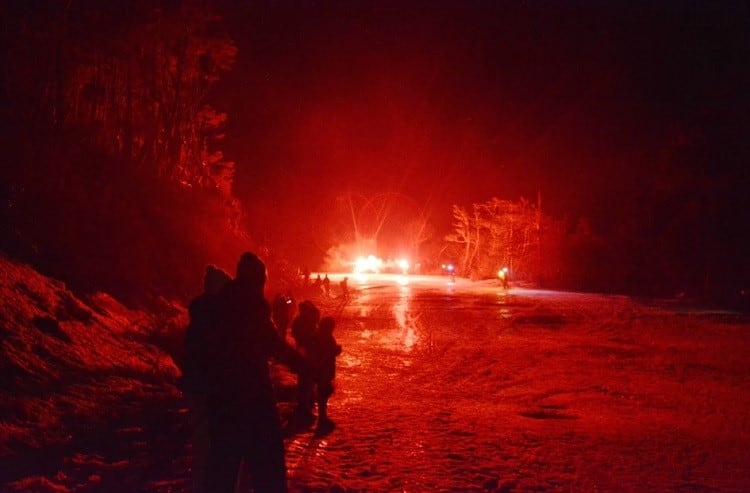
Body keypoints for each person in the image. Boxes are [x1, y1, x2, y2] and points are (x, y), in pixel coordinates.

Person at [204, 252, 310, 493]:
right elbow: (274, 346)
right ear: (257, 280)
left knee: (222, 471)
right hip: (254, 402)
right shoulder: (251, 308)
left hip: (221, 402)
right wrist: (305, 367)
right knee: (268, 470)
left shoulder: (219, 307)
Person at [180, 264, 232, 493]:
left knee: (209, 443)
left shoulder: (203, 317)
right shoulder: (211, 319)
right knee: (208, 444)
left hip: (203, 388)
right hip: (207, 390)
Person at [309, 316, 342, 432]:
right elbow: (326, 353)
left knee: (324, 392)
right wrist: (336, 350)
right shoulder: (324, 337)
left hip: (323, 369)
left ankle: (323, 417)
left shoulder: (318, 335)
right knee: (324, 393)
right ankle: (322, 418)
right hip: (323, 369)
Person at [290, 299, 320, 424]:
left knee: (307, 382)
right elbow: (304, 339)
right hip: (306, 356)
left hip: (305, 355)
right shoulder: (305, 323)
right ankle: (304, 409)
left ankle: (308, 404)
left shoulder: (300, 321)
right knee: (305, 383)